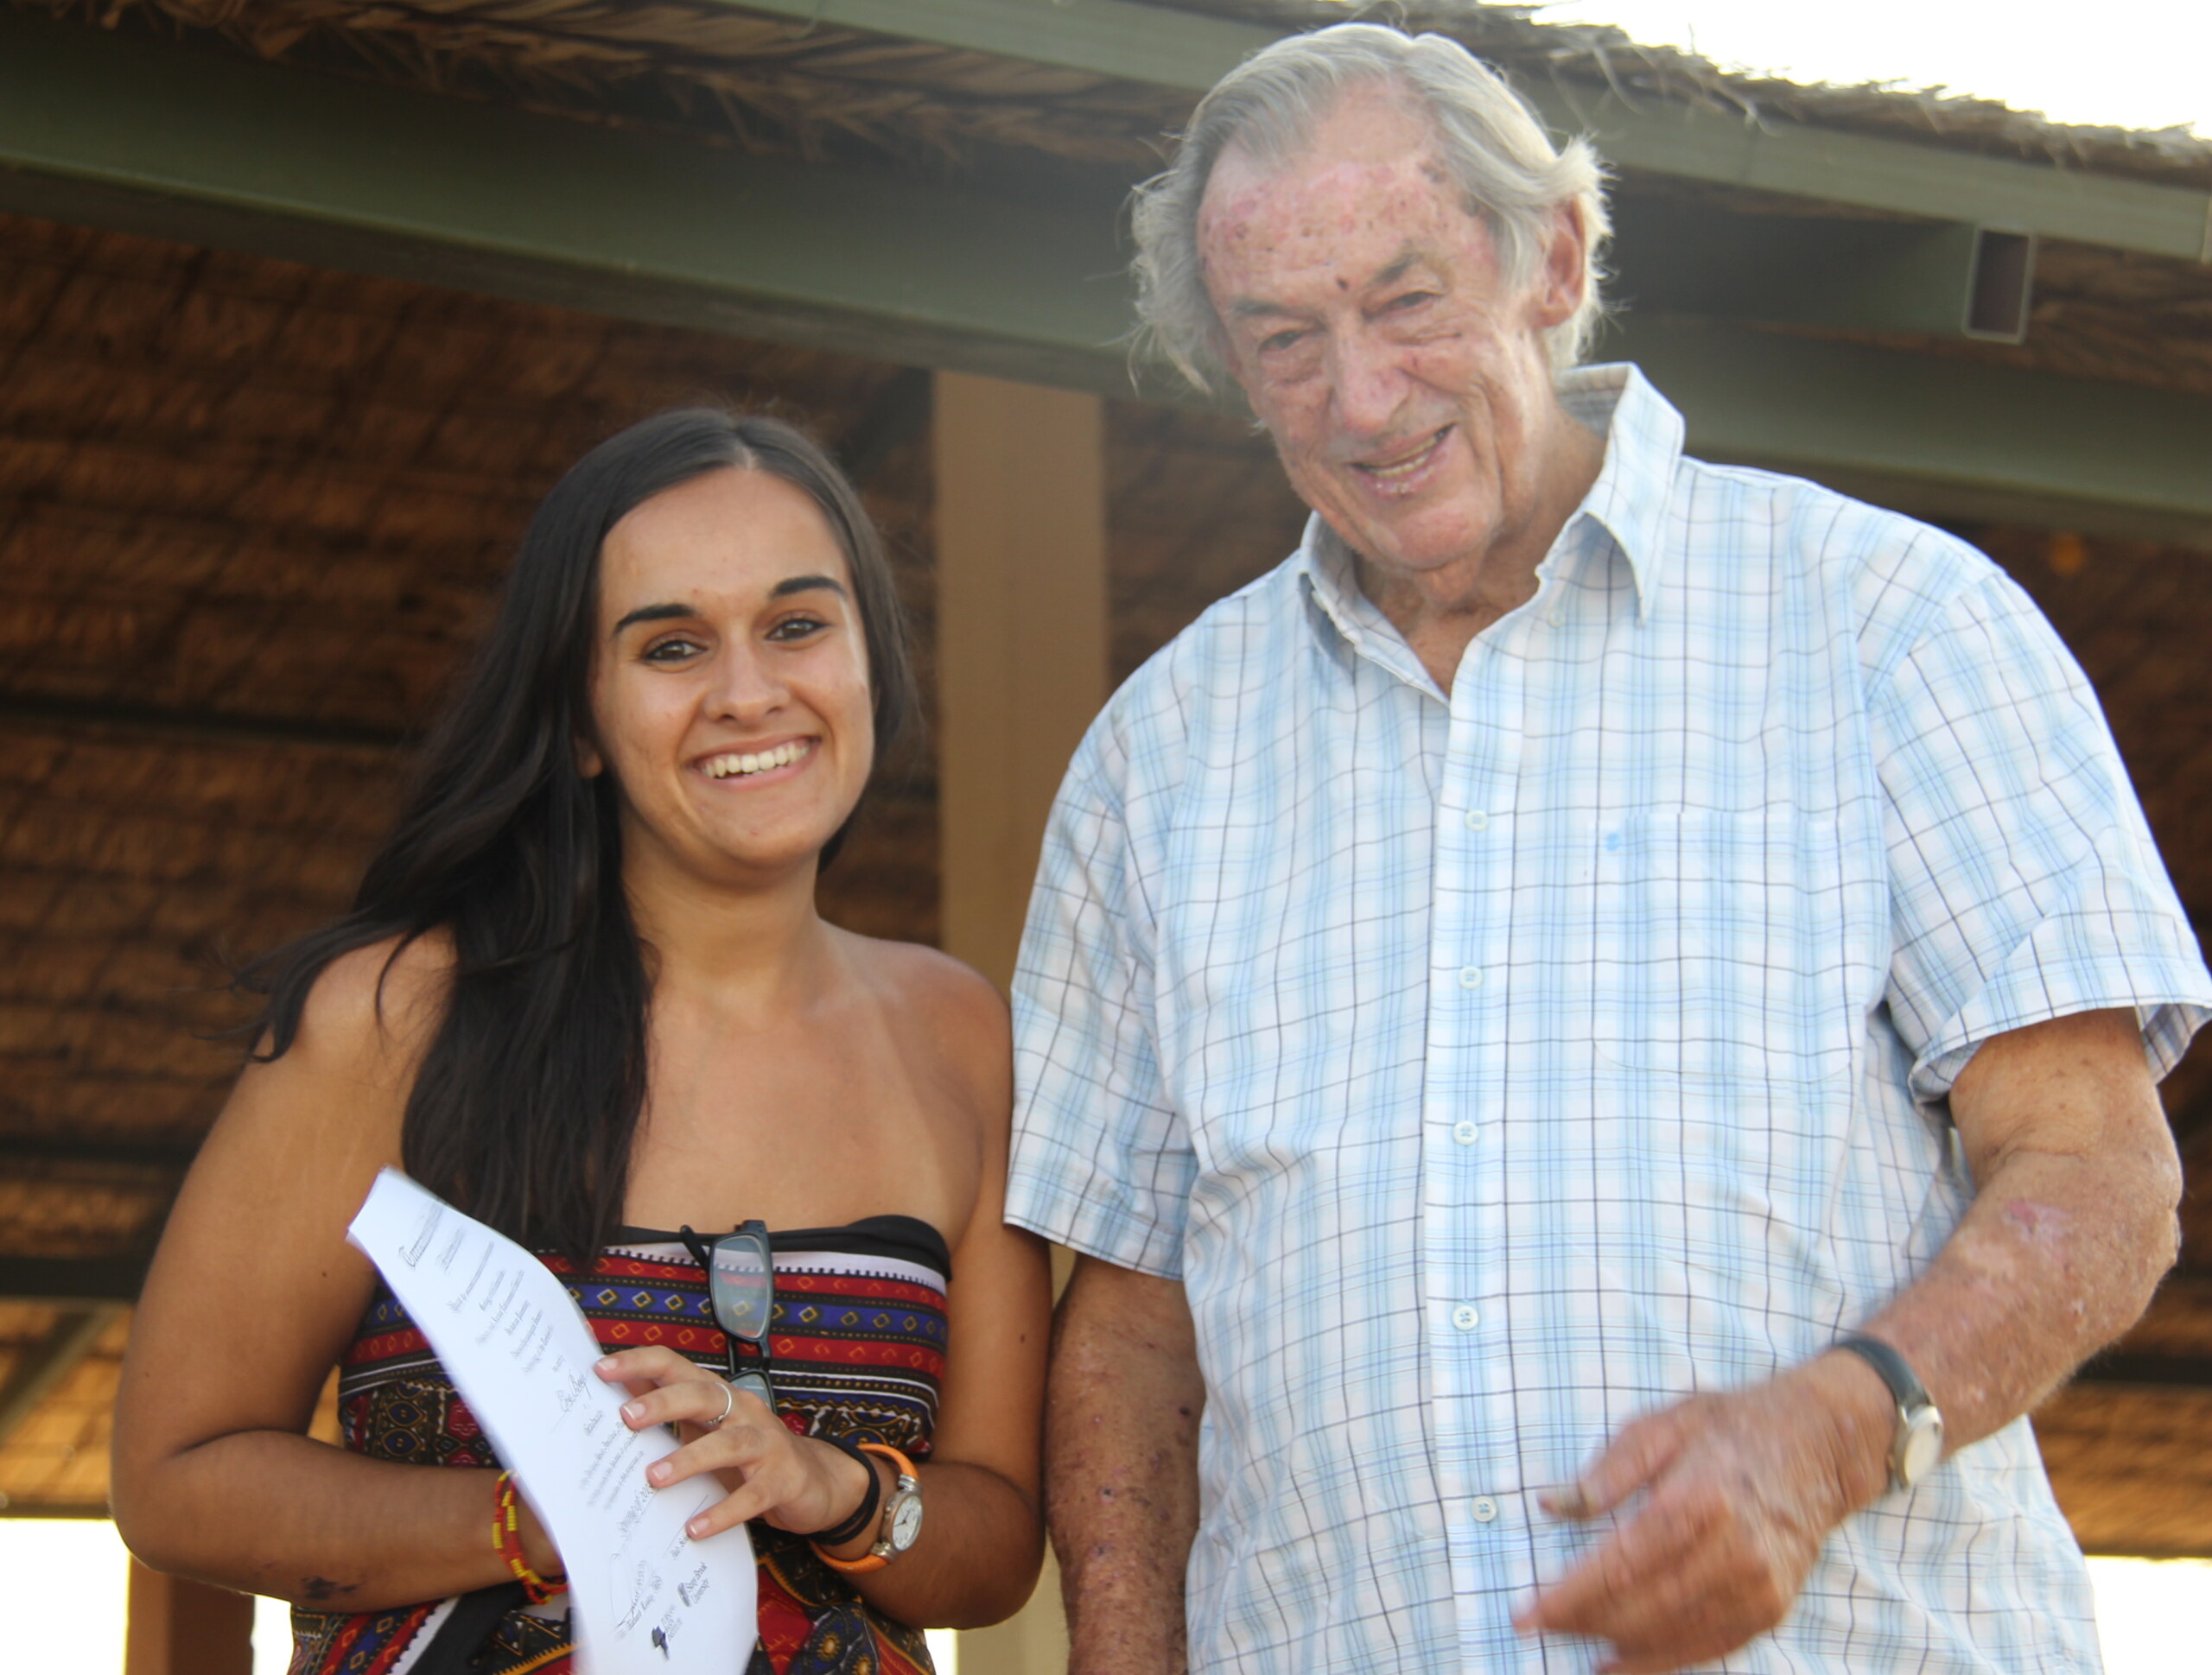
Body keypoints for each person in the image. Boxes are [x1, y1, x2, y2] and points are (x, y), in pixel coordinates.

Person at [1007, 23, 2210, 1675]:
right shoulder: (1156, 760)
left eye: (1407, 301)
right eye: (1283, 338)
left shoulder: (1890, 623)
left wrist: (1833, 1432)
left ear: (1554, 261)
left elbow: (2099, 1176)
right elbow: (1133, 1327)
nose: (1359, 398)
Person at [111, 410, 1051, 1674]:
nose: (749, 692)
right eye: (672, 646)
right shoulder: (399, 1016)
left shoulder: (961, 1037)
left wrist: (835, 1487)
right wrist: (550, 1517)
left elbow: (997, 1542)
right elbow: (176, 1478)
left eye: (796, 625)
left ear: (868, 660)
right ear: (580, 722)